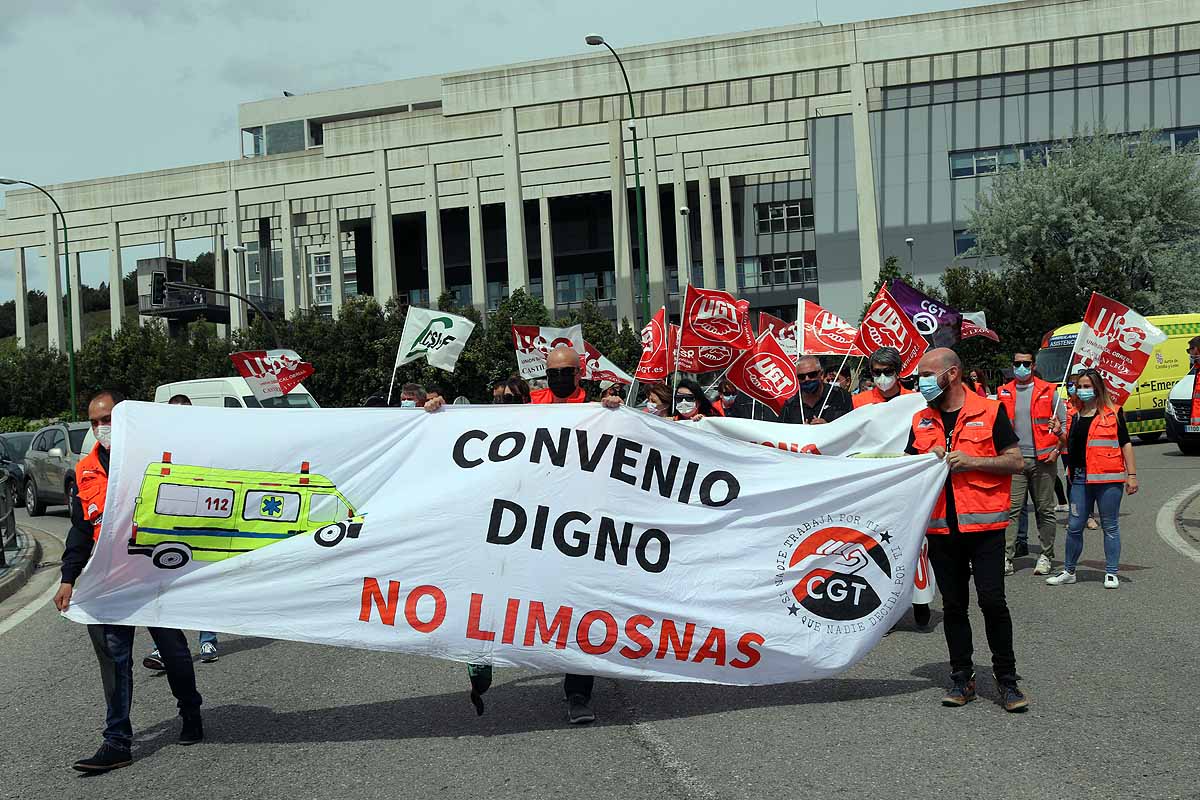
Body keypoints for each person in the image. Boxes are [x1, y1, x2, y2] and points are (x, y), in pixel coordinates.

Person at [424, 357, 620, 725]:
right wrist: (437, 408)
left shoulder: (598, 411)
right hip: (517, 524)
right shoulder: (532, 407)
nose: (559, 379)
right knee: (496, 596)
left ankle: (578, 693)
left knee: (576, 607)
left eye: (566, 373)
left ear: (579, 374)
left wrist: (616, 412)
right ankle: (480, 659)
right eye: (553, 374)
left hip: (570, 528)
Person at [54, 390, 204, 772]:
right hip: (110, 583)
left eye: (108, 420)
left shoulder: (152, 459)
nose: (101, 428)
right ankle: (116, 740)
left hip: (154, 577)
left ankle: (191, 712)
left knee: (173, 652)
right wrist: (68, 577)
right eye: (94, 422)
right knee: (114, 661)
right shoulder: (86, 469)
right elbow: (80, 530)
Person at [904, 348, 1027, 712]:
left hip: (986, 526)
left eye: (927, 374)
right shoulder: (920, 421)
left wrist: (972, 461)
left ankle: (1007, 680)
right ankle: (962, 677)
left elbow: (1016, 461)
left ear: (952, 373)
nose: (921, 381)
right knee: (954, 606)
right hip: (942, 530)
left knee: (992, 602)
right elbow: (907, 469)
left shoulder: (990, 411)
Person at [144, 394, 219, 670]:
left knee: (202, 581)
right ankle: (164, 646)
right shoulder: (157, 446)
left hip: (200, 524)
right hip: (166, 525)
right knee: (165, 586)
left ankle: (207, 638)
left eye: (185, 412)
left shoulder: (204, 445)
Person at [1046, 369, 1138, 589]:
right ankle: (1069, 571)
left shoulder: (1113, 413)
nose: (1083, 390)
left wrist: (1131, 475)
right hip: (1079, 479)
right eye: (1080, 386)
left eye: (1087, 386)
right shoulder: (1075, 414)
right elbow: (1073, 444)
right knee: (1075, 526)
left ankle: (1111, 572)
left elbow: (1125, 443)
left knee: (1110, 526)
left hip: (1108, 480)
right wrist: (1059, 433)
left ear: (1097, 388)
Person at [996, 351, 1066, 577]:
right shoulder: (1003, 392)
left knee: (1044, 509)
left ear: (1033, 365)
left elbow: (1065, 427)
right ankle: (1007, 557)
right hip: (1015, 461)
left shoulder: (1049, 391)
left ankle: (1046, 555)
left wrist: (1057, 449)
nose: (1021, 367)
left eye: (1026, 363)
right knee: (1011, 511)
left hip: (1043, 460)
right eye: (1017, 363)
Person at [780, 355, 853, 424]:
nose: (807, 379)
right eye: (801, 376)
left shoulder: (841, 397)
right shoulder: (790, 406)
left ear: (821, 374)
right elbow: (781, 434)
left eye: (812, 375)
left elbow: (853, 429)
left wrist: (829, 428)